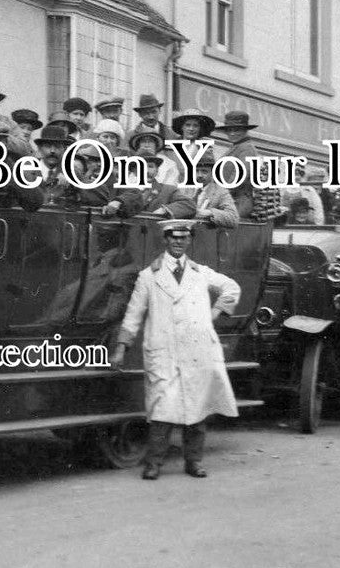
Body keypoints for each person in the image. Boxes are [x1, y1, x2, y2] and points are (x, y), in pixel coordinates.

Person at [110, 220, 240, 479]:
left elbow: (231, 287)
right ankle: (154, 464)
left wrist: (214, 313)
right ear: (165, 240)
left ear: (189, 240)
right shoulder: (149, 276)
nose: (178, 242)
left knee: (197, 407)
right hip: (164, 350)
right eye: (173, 237)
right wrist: (121, 348)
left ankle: (194, 462)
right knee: (162, 409)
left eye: (184, 238)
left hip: (197, 350)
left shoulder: (200, 273)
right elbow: (134, 314)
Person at [211, 110, 260, 219]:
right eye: (229, 130)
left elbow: (240, 176)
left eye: (237, 130)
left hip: (238, 203)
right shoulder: (236, 147)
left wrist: (218, 196)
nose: (232, 133)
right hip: (230, 200)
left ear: (245, 130)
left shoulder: (247, 148)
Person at [192, 153, 240, 228]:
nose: (199, 175)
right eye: (197, 171)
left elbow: (233, 218)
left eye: (204, 171)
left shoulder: (220, 192)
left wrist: (210, 212)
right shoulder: (188, 190)